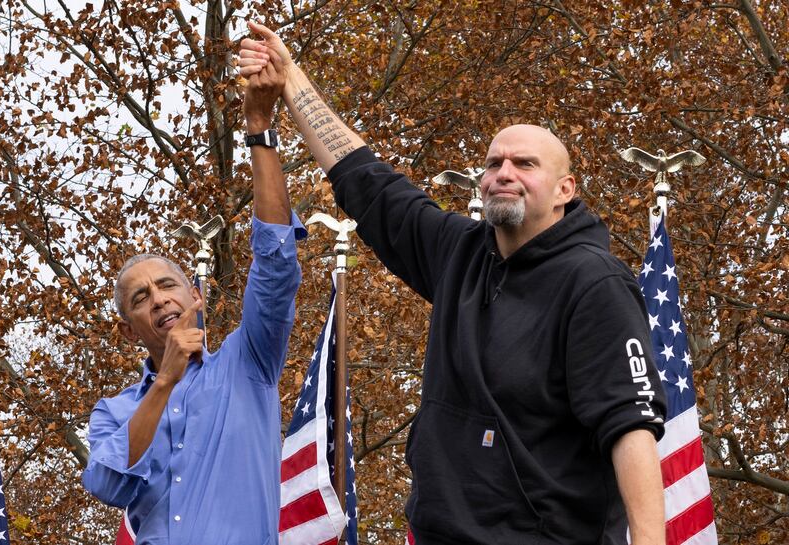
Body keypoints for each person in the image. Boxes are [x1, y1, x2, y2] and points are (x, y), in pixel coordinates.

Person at [240, 23, 668, 545]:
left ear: (564, 190)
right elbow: (367, 182)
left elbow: (630, 427)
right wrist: (290, 80)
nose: (502, 173)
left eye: (524, 164)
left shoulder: (594, 281)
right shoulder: (460, 252)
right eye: (493, 163)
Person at [82, 46, 306, 545]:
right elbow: (107, 483)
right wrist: (163, 384)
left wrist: (259, 126)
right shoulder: (113, 413)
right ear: (128, 327)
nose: (158, 300)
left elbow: (275, 262)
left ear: (195, 296)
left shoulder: (249, 362)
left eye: (166, 285)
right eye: (140, 298)